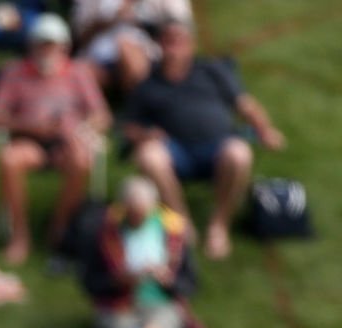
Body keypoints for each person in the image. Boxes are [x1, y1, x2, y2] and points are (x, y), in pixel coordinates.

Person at [120, 19, 285, 259]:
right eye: (168, 40)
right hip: (175, 152)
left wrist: (265, 130)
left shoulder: (212, 70)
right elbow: (128, 127)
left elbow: (244, 104)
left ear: (191, 44)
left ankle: (218, 226)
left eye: (179, 40)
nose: (174, 47)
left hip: (217, 147)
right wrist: (146, 134)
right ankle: (181, 223)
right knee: (148, 155)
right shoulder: (148, 83)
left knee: (239, 153)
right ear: (160, 45)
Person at [0, 13, 112, 265]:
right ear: (31, 45)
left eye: (52, 44)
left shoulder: (78, 73)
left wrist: (80, 130)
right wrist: (32, 126)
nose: (47, 50)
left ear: (64, 47)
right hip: (29, 141)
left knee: (81, 160)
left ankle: (60, 228)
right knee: (9, 159)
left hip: (66, 142)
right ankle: (20, 236)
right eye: (42, 44)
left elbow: (102, 115)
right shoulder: (14, 73)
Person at [77, 176, 191, 328]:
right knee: (121, 327)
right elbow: (89, 283)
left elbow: (190, 284)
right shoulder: (102, 232)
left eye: (143, 214)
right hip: (117, 304)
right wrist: (118, 280)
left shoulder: (173, 231)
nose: (138, 219)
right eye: (133, 214)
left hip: (160, 301)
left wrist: (168, 280)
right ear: (123, 208)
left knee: (161, 324)